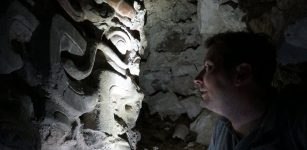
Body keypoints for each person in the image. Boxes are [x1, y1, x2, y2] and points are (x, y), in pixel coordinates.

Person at [194, 31, 307, 150]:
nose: (196, 79)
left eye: (208, 67)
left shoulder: (298, 127)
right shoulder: (222, 129)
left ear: (242, 74)